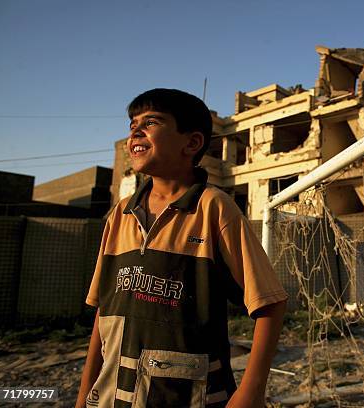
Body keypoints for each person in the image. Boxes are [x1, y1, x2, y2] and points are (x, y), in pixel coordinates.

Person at [75, 88, 288, 408]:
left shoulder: (215, 208)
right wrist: (83, 394)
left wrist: (251, 391)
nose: (136, 130)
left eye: (151, 122)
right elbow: (104, 313)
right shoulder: (120, 214)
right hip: (112, 397)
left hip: (189, 396)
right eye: (132, 123)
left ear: (191, 143)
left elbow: (270, 304)